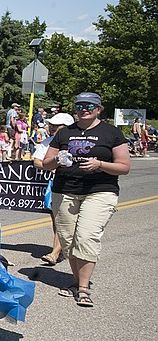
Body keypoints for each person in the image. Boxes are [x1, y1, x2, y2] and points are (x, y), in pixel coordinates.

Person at [41, 92, 130, 308]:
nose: (84, 109)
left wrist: (100, 164)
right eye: (80, 105)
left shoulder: (111, 133)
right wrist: (57, 160)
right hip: (65, 190)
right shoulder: (64, 134)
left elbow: (124, 167)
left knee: (86, 236)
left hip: (100, 190)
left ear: (99, 109)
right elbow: (46, 164)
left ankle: (83, 288)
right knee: (68, 239)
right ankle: (75, 281)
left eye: (89, 106)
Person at [33, 111, 75, 266]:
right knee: (56, 218)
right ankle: (61, 249)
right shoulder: (48, 142)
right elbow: (37, 161)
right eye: (52, 125)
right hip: (54, 184)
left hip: (74, 185)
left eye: (56, 126)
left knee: (63, 218)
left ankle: (55, 253)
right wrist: (50, 167)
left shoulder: (77, 142)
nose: (52, 128)